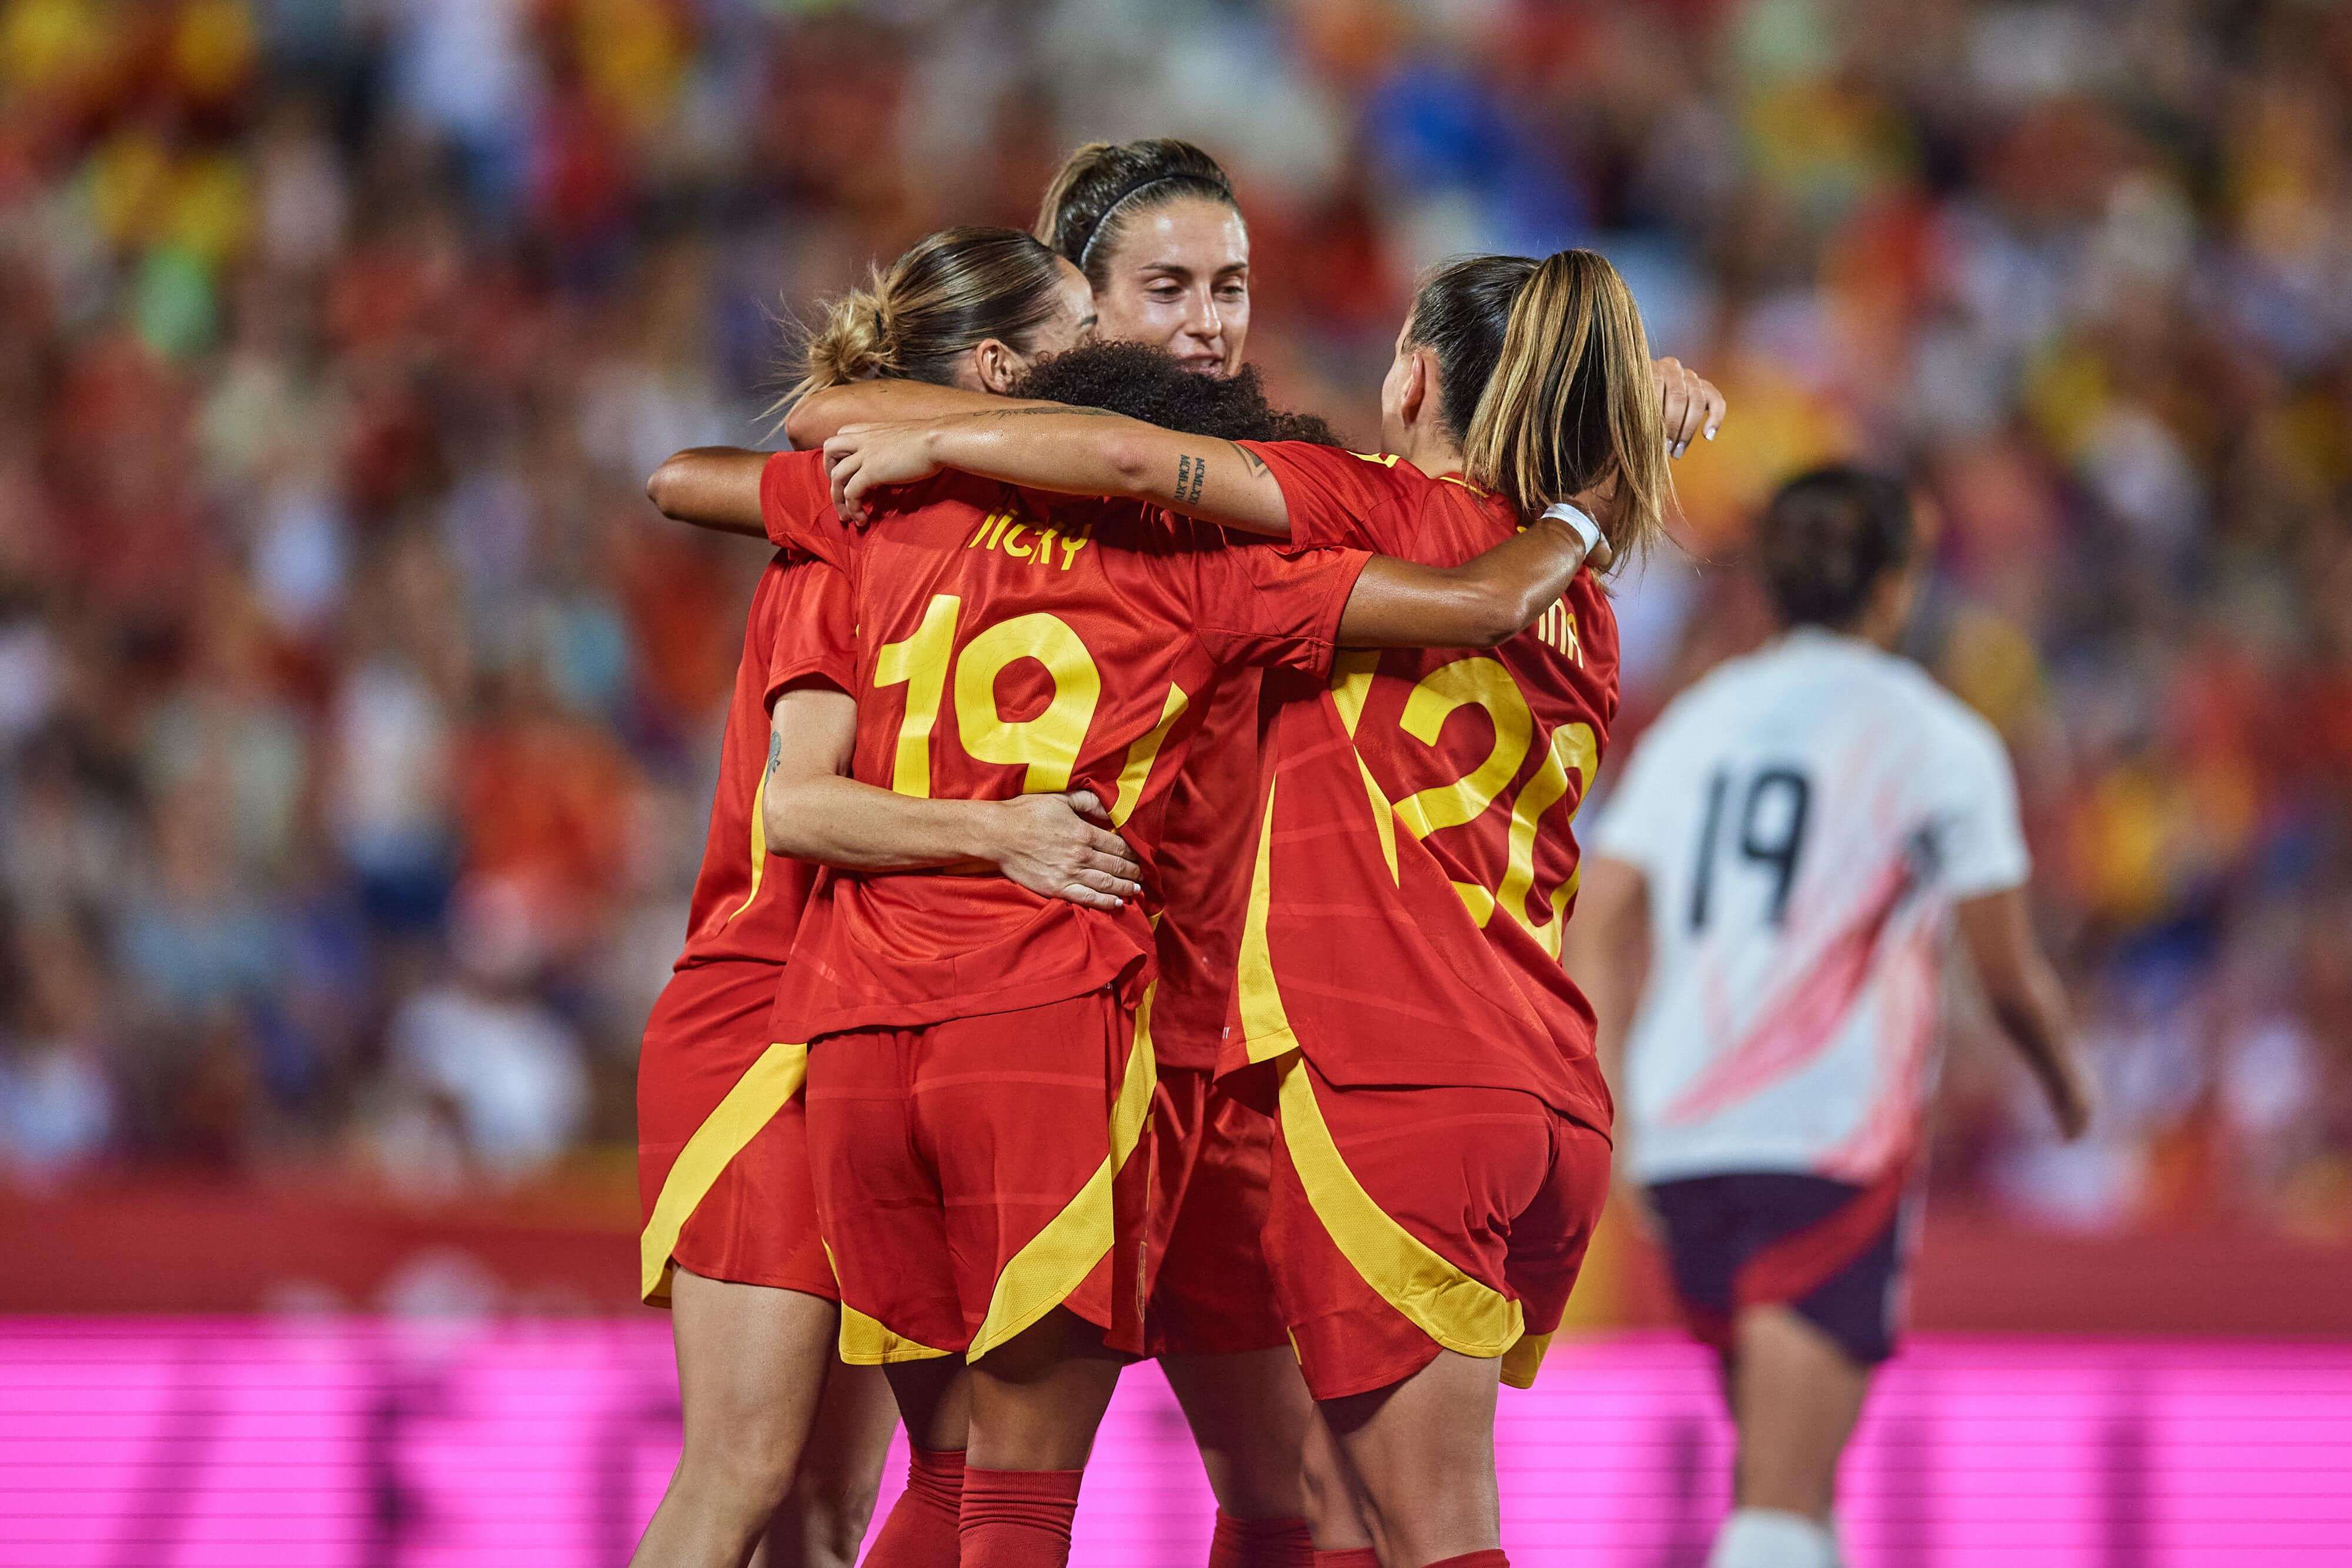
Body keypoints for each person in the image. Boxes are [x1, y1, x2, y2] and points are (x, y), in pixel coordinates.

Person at [821, 246, 1702, 1568]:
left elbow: (1128, 463)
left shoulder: (1361, 511)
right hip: (1541, 1091)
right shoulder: (1584, 601)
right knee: (1323, 1497)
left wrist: (936, 438)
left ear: (1411, 375)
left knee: (1432, 1529)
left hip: (1394, 1075)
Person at [630, 226, 1142, 1568]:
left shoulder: (996, 541)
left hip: (869, 1015)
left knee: (826, 1503)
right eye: (1082, 328)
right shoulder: (849, 530)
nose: (1117, 356)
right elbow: (796, 807)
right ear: (992, 368)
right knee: (739, 1468)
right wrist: (1004, 837)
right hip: (760, 1020)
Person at [1562, 468, 2095, 1568]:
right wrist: (2069, 1083)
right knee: (1779, 1500)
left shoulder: (1700, 723)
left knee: (1793, 1488)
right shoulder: (1940, 742)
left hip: (1680, 1143)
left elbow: (1598, 914)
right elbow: (2006, 977)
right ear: (1896, 587)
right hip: (1823, 1140)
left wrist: (1610, 1096)